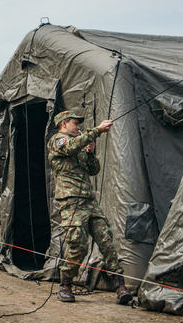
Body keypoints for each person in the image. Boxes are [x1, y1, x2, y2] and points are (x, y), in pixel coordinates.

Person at [47, 110, 131, 304]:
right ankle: (66, 284)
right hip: (71, 201)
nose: (78, 126)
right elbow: (69, 148)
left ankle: (120, 286)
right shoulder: (58, 141)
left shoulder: (79, 143)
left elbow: (93, 170)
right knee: (78, 245)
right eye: (75, 123)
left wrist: (90, 153)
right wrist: (97, 131)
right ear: (64, 124)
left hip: (89, 201)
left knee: (106, 240)